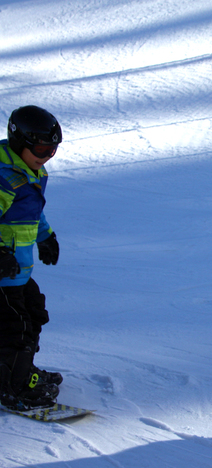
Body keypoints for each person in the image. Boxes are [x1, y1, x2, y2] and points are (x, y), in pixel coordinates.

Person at [0, 105, 63, 411]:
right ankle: (14, 386)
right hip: (2, 272)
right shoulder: (5, 178)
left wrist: (45, 236)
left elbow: (31, 213)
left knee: (34, 313)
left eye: (52, 150)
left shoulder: (31, 172)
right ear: (19, 142)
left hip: (17, 271)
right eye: (40, 148)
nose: (46, 156)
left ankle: (18, 370)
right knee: (17, 326)